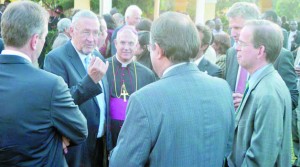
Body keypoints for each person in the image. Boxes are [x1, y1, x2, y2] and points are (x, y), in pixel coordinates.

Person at [109, 11, 234, 167]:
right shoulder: (222, 88)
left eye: (150, 48)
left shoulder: (144, 100)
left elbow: (123, 163)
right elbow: (227, 149)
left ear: (158, 50)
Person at [0, 1, 88, 166]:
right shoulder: (51, 85)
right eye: (44, 37)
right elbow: (80, 131)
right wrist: (55, 139)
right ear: (34, 41)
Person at [44, 10, 109, 167]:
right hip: (76, 148)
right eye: (86, 32)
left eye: (95, 32)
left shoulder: (98, 57)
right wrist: (90, 81)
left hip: (100, 144)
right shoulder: (56, 59)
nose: (92, 39)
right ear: (72, 31)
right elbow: (58, 105)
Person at [228, 19, 292, 167]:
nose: (237, 48)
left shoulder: (268, 93)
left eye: (242, 44)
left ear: (260, 51)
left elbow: (261, 159)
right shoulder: (261, 82)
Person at [225, 2, 298, 111]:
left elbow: (292, 99)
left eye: (237, 28)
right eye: (231, 28)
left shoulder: (280, 56)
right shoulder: (232, 53)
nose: (232, 33)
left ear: (254, 24)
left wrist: (250, 102)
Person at [106, 25, 156, 150]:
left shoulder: (147, 74)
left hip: (136, 133)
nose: (126, 47)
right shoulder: (103, 67)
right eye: (122, 42)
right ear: (116, 43)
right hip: (108, 131)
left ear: (136, 45)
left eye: (131, 43)